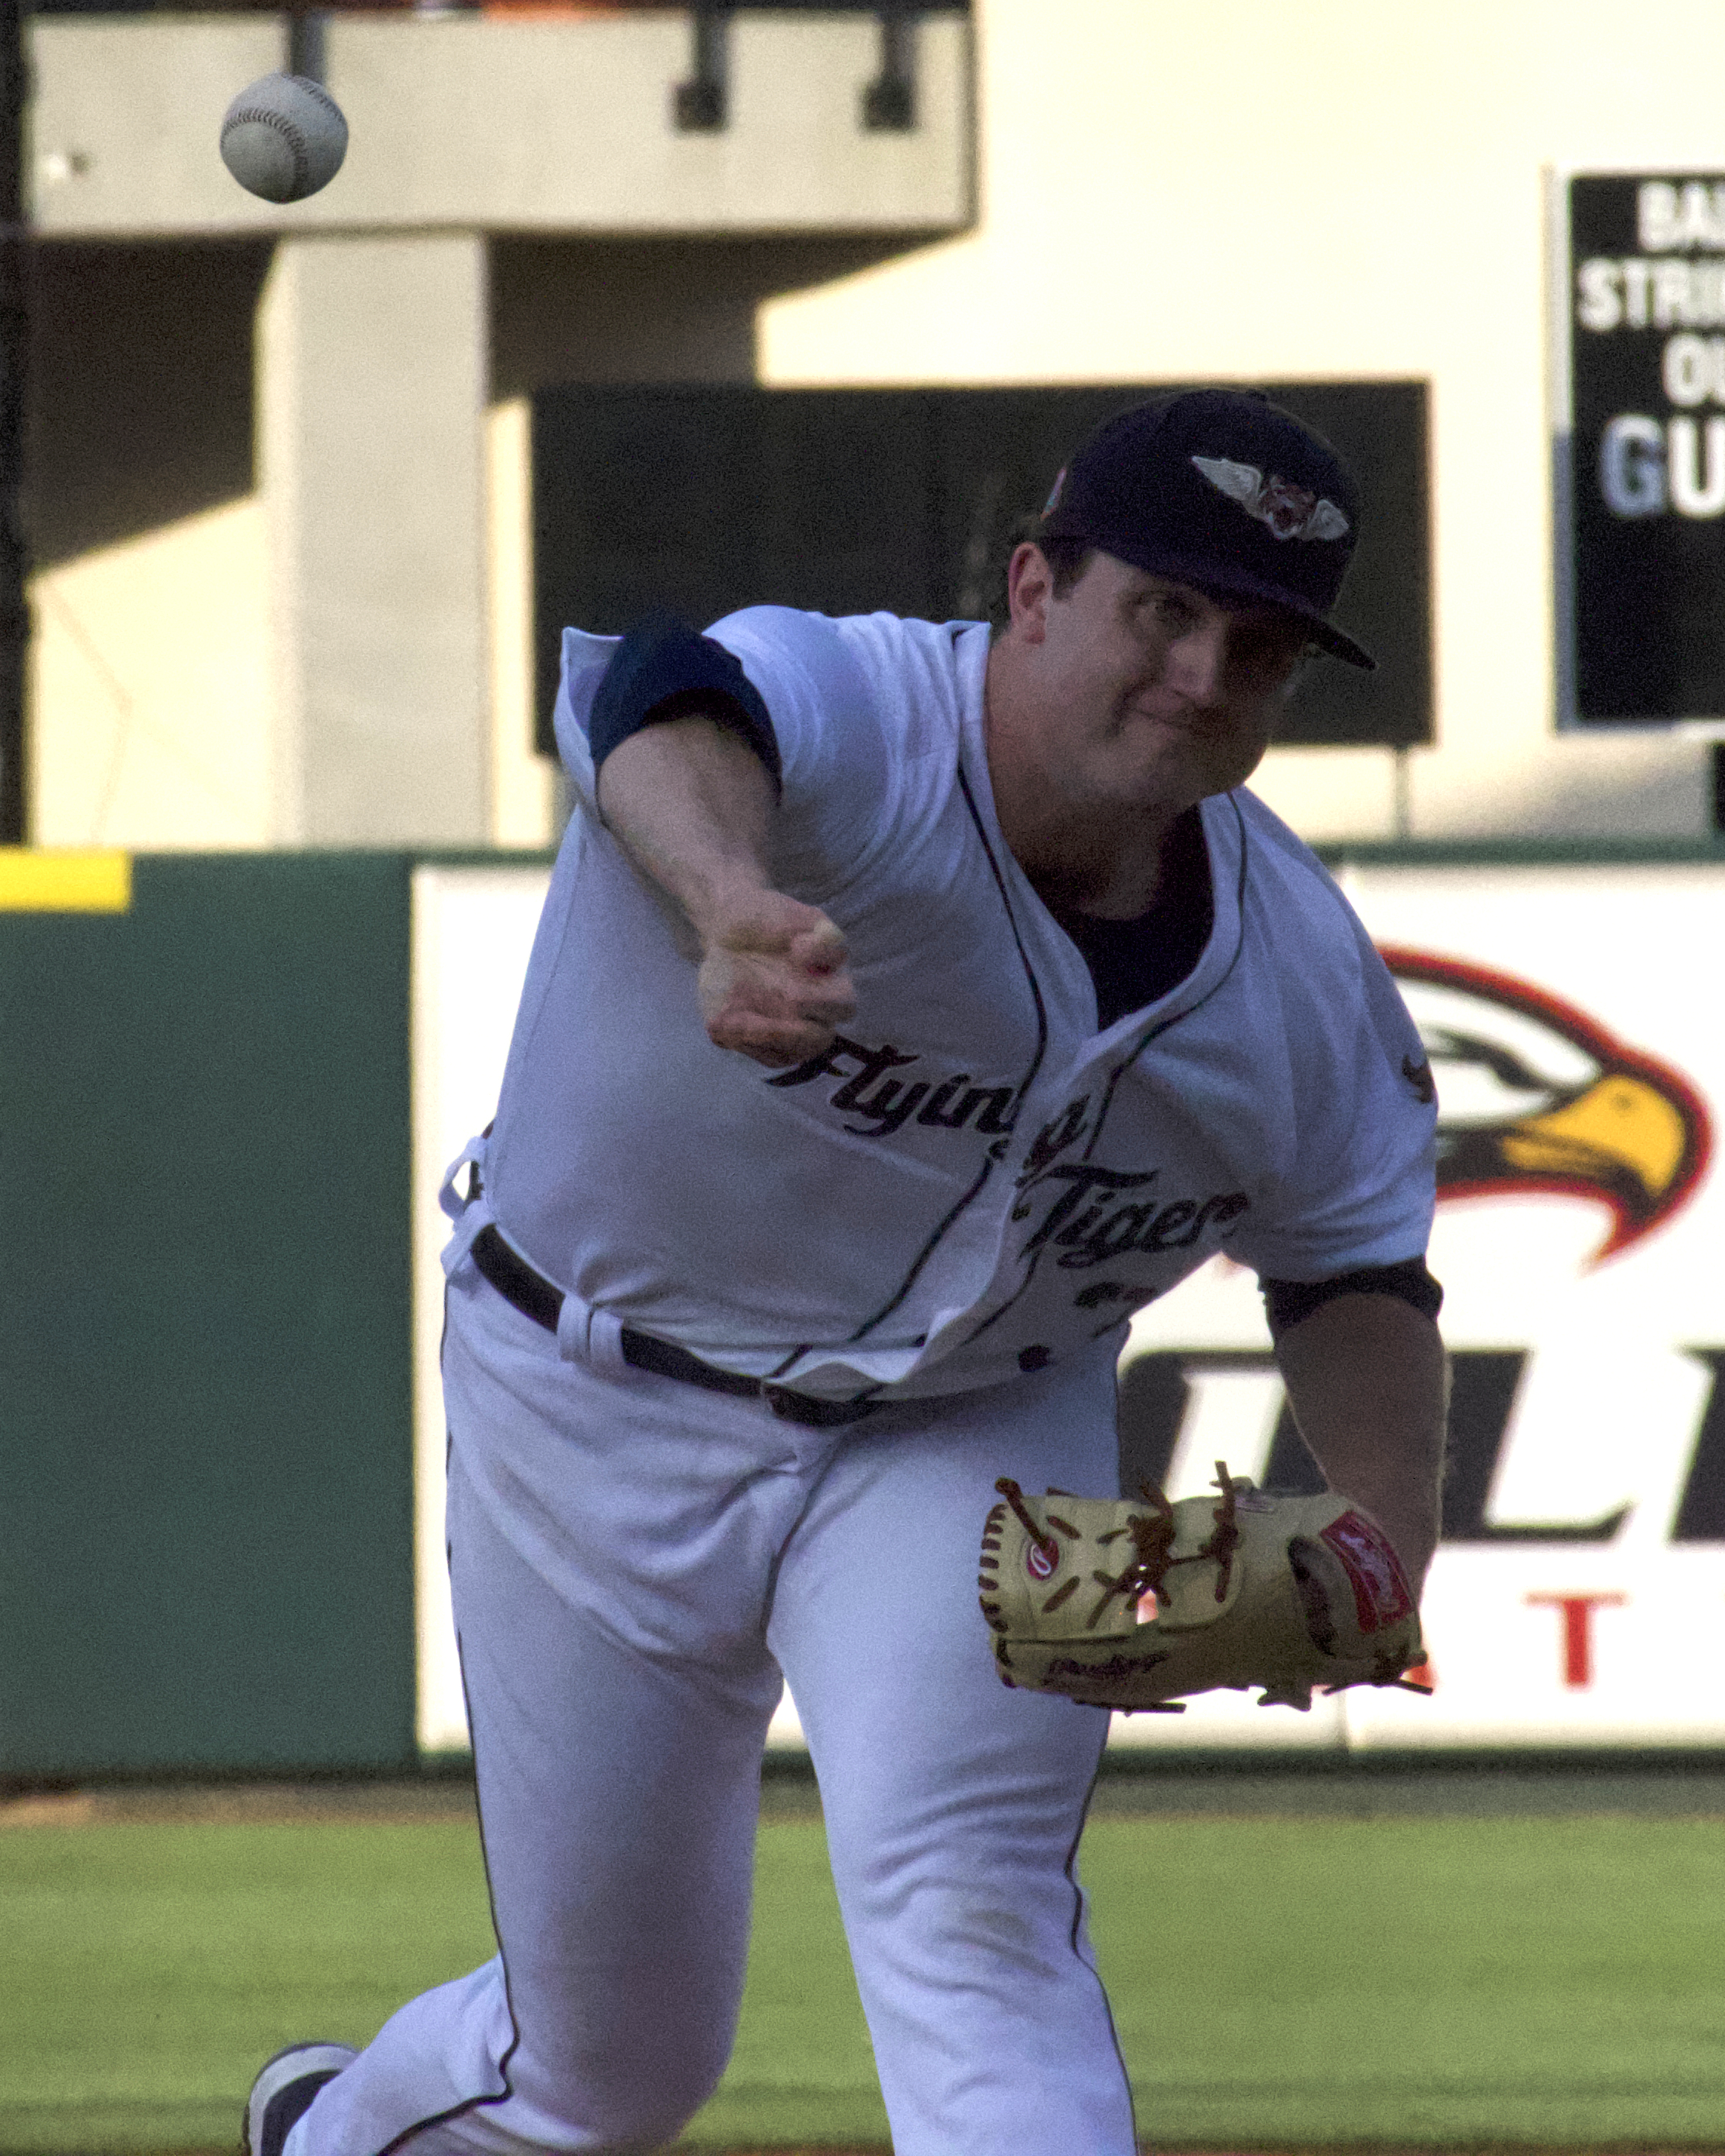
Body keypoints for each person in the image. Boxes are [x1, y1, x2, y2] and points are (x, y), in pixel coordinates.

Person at [245, 389, 1447, 2156]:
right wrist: (728, 895)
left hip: (958, 1433)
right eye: (1162, 610)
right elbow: (662, 696)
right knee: (608, 2064)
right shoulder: (860, 711)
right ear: (1032, 588)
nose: (1202, 672)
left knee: (973, 1913)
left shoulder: (1295, 979)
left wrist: (1382, 1533)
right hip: (598, 1396)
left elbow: (1352, 1268)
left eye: (1255, 645)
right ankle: (343, 2133)